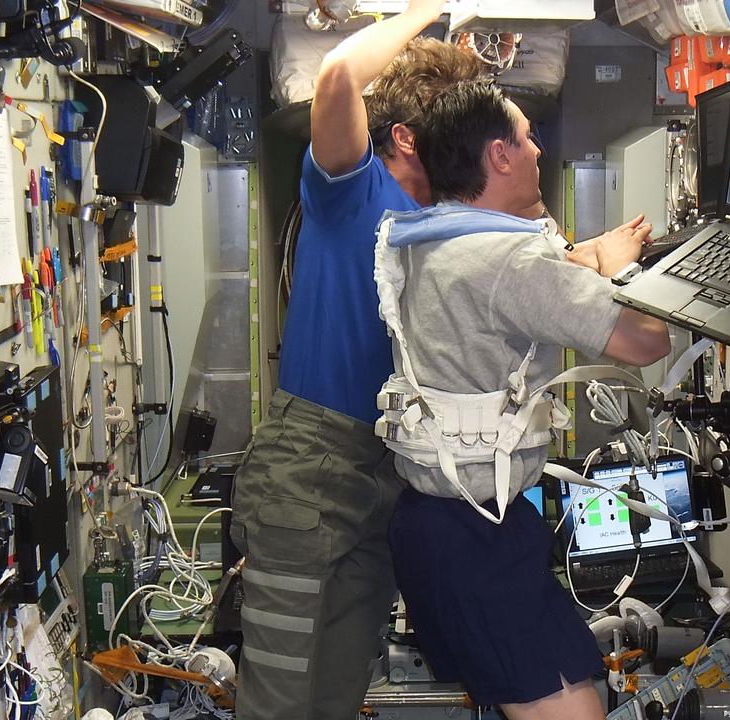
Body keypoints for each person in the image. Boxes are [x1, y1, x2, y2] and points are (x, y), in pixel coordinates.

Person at [375, 80, 672, 720]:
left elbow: (525, 283)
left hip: (436, 531)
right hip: (478, 541)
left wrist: (587, 259)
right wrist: (633, 275)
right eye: (527, 136)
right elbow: (647, 341)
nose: (538, 148)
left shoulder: (430, 238)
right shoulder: (511, 260)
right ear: (499, 156)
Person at [228, 3, 484, 718]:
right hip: (305, 474)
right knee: (278, 705)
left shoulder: (444, 226)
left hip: (381, 479)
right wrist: (428, 11)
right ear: (404, 137)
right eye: (454, 130)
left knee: (334, 699)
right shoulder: (351, 189)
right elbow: (338, 74)